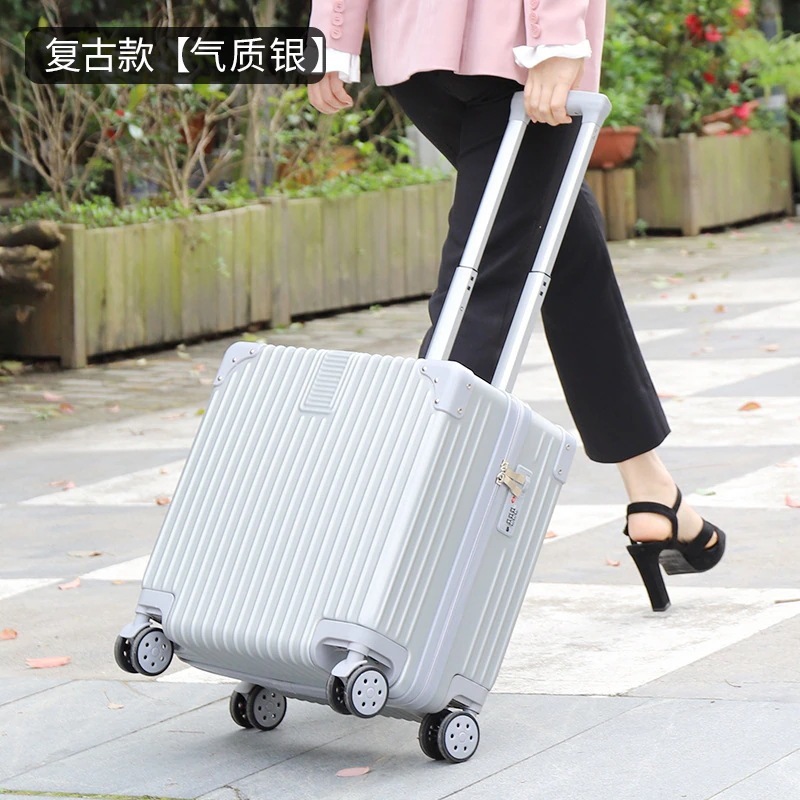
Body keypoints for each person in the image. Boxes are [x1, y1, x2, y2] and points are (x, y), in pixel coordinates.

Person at [306, 0, 726, 612]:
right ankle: (397, 539)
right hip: (510, 47)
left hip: (412, 49)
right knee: (484, 284)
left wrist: (331, 35)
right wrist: (556, 39)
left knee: (556, 233)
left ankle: (652, 492)